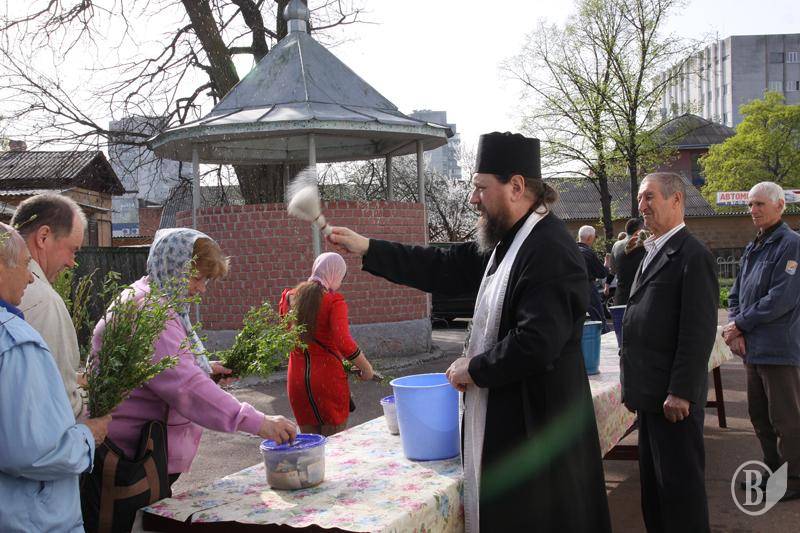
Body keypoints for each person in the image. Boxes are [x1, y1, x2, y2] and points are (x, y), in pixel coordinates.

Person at [329, 132, 611, 533]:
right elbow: (442, 265)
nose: (473, 199)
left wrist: (474, 368)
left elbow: (536, 343)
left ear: (516, 187)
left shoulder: (549, 250)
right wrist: (368, 248)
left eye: (481, 188)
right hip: (515, 425)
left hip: (538, 432)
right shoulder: (508, 240)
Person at [91, 228, 297, 486]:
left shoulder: (148, 296)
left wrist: (204, 368)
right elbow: (186, 387)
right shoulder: (150, 311)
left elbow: (166, 368)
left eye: (205, 280)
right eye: (196, 278)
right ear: (173, 267)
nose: (201, 289)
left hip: (131, 453)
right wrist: (260, 422)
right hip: (129, 461)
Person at [621, 172, 718, 532]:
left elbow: (697, 332)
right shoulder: (651, 250)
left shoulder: (692, 255)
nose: (642, 206)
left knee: (680, 498)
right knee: (655, 495)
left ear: (676, 200)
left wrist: (681, 391)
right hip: (651, 397)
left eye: (650, 197)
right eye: (640, 198)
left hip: (673, 402)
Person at [0, 222, 110, 532]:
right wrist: (88, 436)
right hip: (30, 519)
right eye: (24, 265)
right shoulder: (16, 341)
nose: (29, 277)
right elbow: (35, 452)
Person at [723, 182, 800, 501]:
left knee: (786, 418)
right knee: (759, 416)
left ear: (780, 206)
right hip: (753, 348)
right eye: (750, 204)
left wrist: (740, 324)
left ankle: (794, 479)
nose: (753, 210)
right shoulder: (755, 245)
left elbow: (781, 298)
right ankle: (773, 470)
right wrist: (736, 326)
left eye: (760, 204)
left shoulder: (791, 244)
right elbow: (735, 293)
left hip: (779, 348)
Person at [279, 252, 374, 436]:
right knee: (333, 445)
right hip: (328, 381)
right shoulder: (333, 301)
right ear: (334, 274)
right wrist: (366, 368)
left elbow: (286, 336)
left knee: (312, 446)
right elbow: (343, 342)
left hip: (297, 382)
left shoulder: (288, 298)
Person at [10, 193, 87, 417]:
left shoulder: (10, 288)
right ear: (43, 237)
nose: (72, 263)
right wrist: (89, 418)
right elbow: (58, 404)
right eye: (72, 250)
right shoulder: (43, 302)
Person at [577, 225, 610, 332]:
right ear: (589, 238)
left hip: (571, 288)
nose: (594, 240)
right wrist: (607, 264)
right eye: (595, 237)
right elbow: (602, 273)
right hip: (588, 288)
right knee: (599, 317)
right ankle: (604, 335)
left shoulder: (570, 250)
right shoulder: (588, 253)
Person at [612, 218, 646, 306]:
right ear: (639, 230)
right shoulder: (643, 245)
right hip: (638, 296)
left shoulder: (616, 245)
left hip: (620, 295)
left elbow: (613, 269)